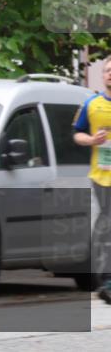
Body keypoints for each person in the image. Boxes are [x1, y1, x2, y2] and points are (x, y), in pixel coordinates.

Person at [72, 58, 111, 304]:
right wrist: (92, 140)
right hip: (102, 177)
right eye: (107, 70)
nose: (110, 74)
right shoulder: (91, 104)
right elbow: (77, 134)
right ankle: (107, 280)